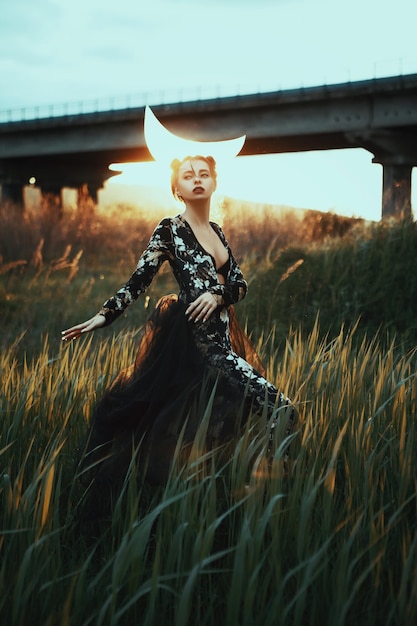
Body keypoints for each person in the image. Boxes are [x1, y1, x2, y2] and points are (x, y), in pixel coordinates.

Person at [62, 154, 295, 521]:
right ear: (177, 188)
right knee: (283, 409)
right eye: (188, 176)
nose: (197, 180)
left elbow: (239, 284)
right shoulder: (170, 229)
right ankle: (253, 499)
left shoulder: (217, 231)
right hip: (197, 346)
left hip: (224, 346)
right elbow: (140, 279)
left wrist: (218, 294)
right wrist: (104, 315)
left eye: (204, 174)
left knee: (224, 432)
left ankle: (255, 502)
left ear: (214, 183)